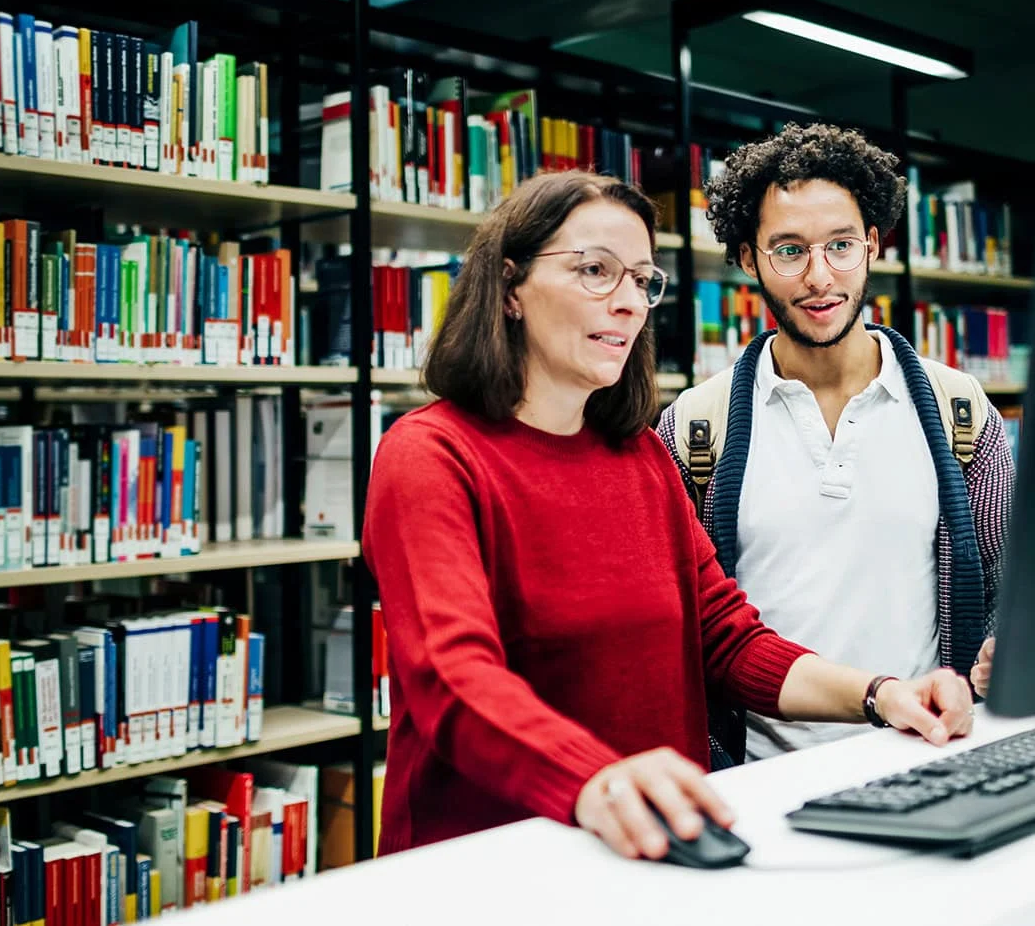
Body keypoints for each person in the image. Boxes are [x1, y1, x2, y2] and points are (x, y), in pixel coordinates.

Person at [361, 169, 976, 863]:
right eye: (596, 270)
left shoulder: (642, 457)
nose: (628, 303)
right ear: (509, 289)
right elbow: (450, 676)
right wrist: (595, 779)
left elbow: (728, 640)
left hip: (655, 848)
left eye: (641, 280)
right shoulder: (431, 456)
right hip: (493, 864)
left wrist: (880, 694)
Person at [657, 122, 1014, 766]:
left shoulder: (961, 412)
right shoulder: (690, 430)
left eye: (842, 245)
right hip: (755, 775)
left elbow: (1002, 583)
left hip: (925, 753)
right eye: (789, 250)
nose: (821, 277)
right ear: (748, 258)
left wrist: (1000, 650)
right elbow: (691, 628)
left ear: (873, 245)